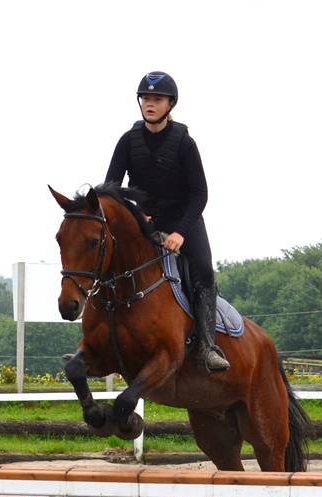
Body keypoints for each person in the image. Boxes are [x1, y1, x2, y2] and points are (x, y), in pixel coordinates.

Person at [105, 71, 230, 373]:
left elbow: (200, 194)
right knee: (108, 261)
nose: (150, 104)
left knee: (204, 271)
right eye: (146, 98)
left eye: (157, 99)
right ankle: (100, 339)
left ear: (170, 104)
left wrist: (180, 233)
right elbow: (110, 189)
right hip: (144, 220)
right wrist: (136, 213)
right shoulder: (127, 141)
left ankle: (208, 347)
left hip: (184, 220)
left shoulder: (185, 143)